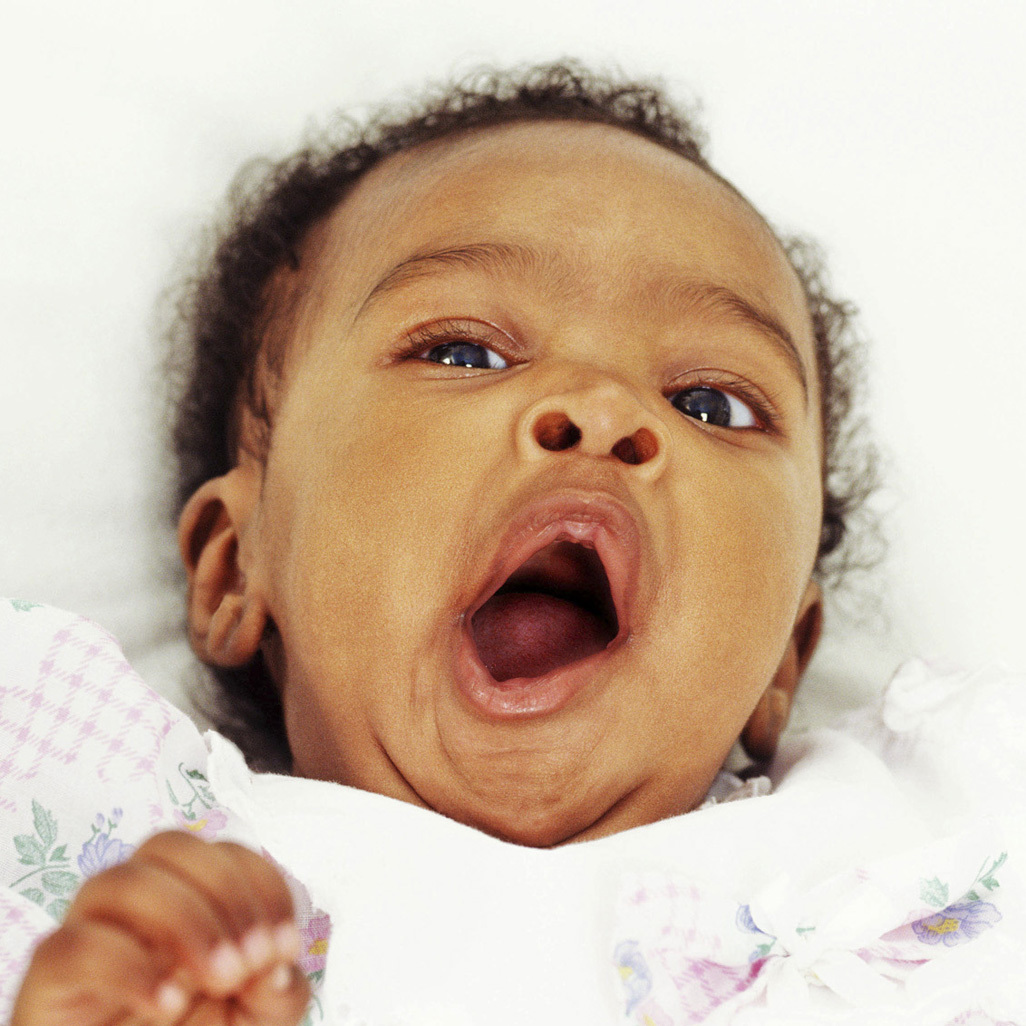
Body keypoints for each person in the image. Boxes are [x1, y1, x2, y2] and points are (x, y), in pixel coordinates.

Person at [4, 64, 1023, 1026]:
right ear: (236, 566)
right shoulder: (121, 860)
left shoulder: (920, 847)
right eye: (463, 350)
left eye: (711, 402)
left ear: (784, 660)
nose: (598, 405)